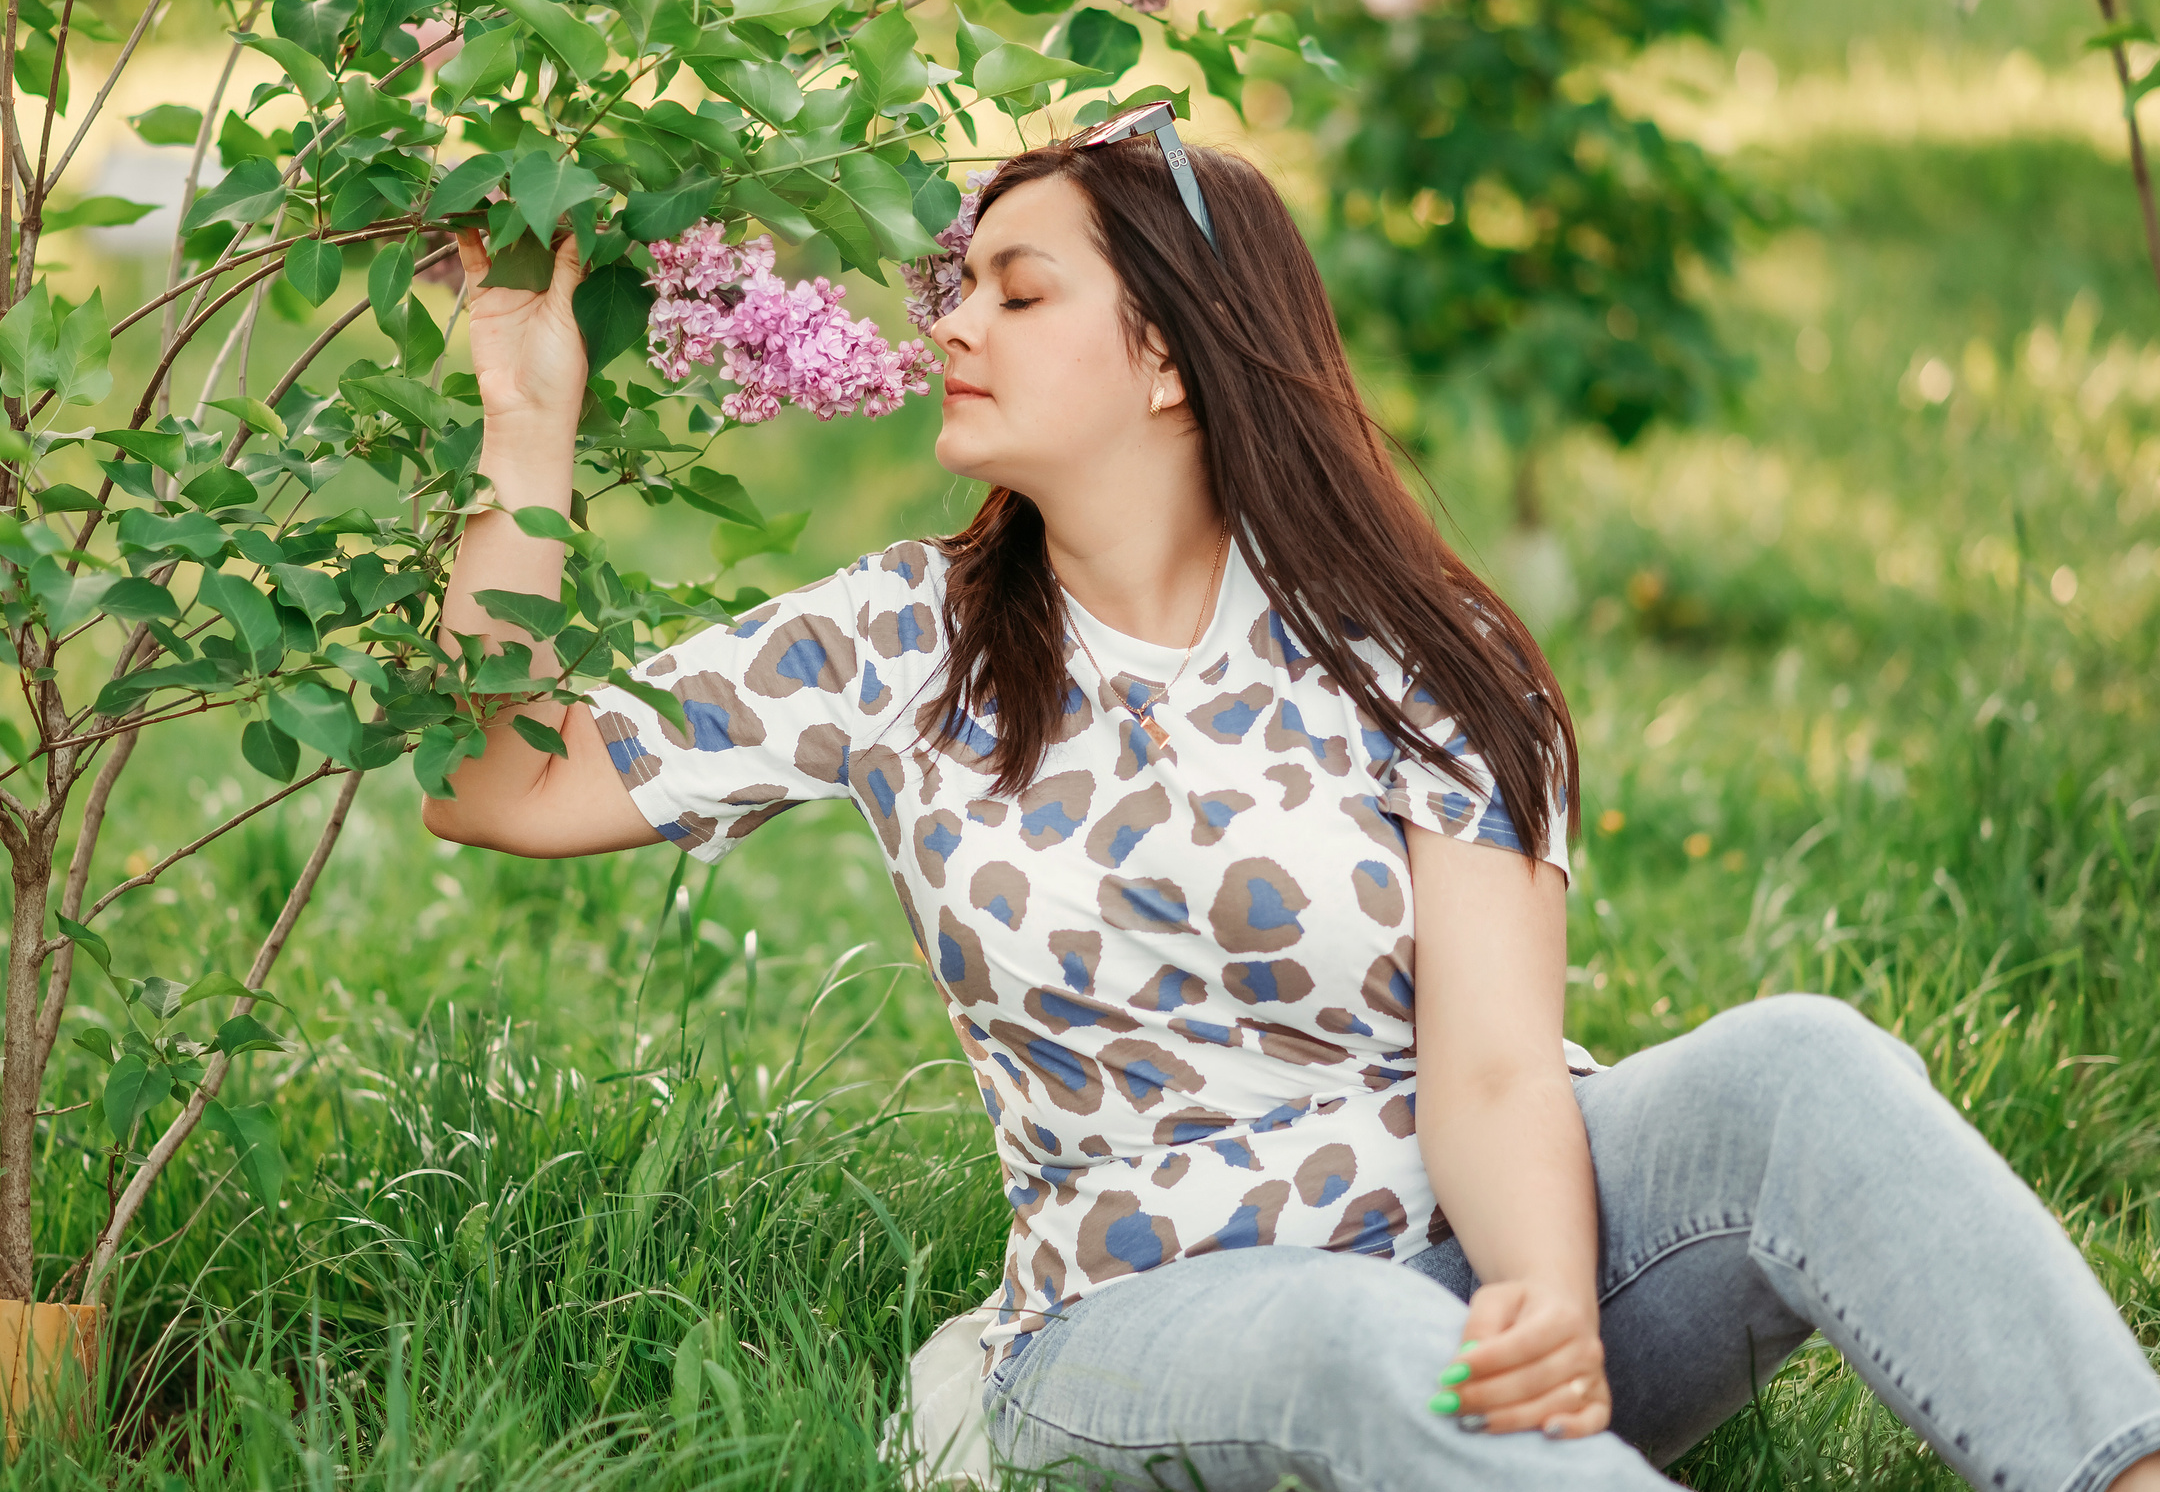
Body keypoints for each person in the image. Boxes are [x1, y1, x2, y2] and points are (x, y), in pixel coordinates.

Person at [420, 112, 2160, 1492]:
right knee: (1357, 1340)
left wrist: (1540, 1292)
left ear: (1170, 355)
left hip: (1489, 1238)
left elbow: (1490, 1065)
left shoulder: (1413, 641)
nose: (949, 318)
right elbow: (501, 780)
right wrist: (525, 415)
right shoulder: (900, 642)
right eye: (961, 284)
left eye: (1018, 292)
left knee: (1807, 1064)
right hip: (1147, 1318)